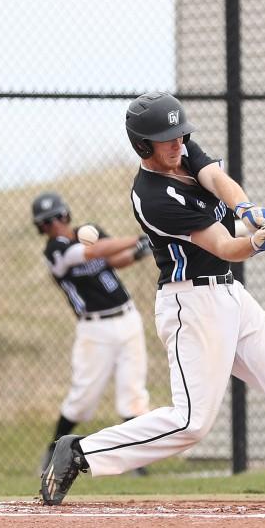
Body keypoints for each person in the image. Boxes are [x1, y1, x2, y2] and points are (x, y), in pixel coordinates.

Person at [40, 92, 265, 507]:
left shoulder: (183, 153)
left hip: (232, 295)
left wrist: (246, 207)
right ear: (144, 146)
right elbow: (224, 247)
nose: (179, 144)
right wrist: (253, 240)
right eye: (168, 139)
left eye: (181, 135)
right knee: (190, 423)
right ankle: (79, 452)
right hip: (192, 306)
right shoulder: (155, 197)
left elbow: (218, 180)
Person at [32, 192, 154, 476]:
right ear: (42, 229)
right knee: (82, 399)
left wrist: (139, 252)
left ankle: (137, 463)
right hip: (94, 329)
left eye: (58, 218)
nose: (55, 225)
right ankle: (54, 450)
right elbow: (93, 252)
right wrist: (138, 237)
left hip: (127, 317)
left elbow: (115, 259)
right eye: (47, 223)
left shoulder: (91, 232)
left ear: (67, 215)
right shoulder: (54, 252)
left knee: (133, 393)